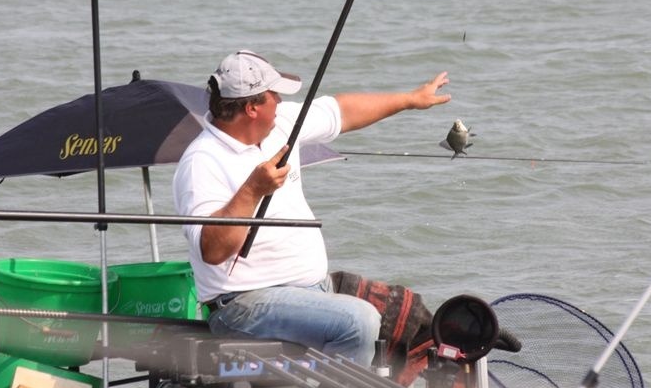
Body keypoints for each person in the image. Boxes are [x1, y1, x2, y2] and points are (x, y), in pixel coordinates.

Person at [172, 50, 451, 366]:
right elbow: (212, 249)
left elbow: (341, 111)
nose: (279, 100)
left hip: (311, 289)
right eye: (273, 95)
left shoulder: (279, 126)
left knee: (405, 313)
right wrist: (252, 190)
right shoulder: (201, 162)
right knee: (358, 321)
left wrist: (410, 99)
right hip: (241, 305)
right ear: (251, 108)